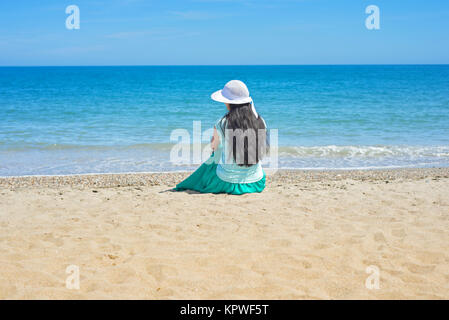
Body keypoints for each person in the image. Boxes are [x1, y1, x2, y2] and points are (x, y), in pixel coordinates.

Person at [175, 80, 268, 195]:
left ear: (229, 103)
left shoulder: (222, 123)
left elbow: (213, 147)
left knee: (216, 152)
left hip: (226, 182)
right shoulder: (261, 122)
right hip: (256, 182)